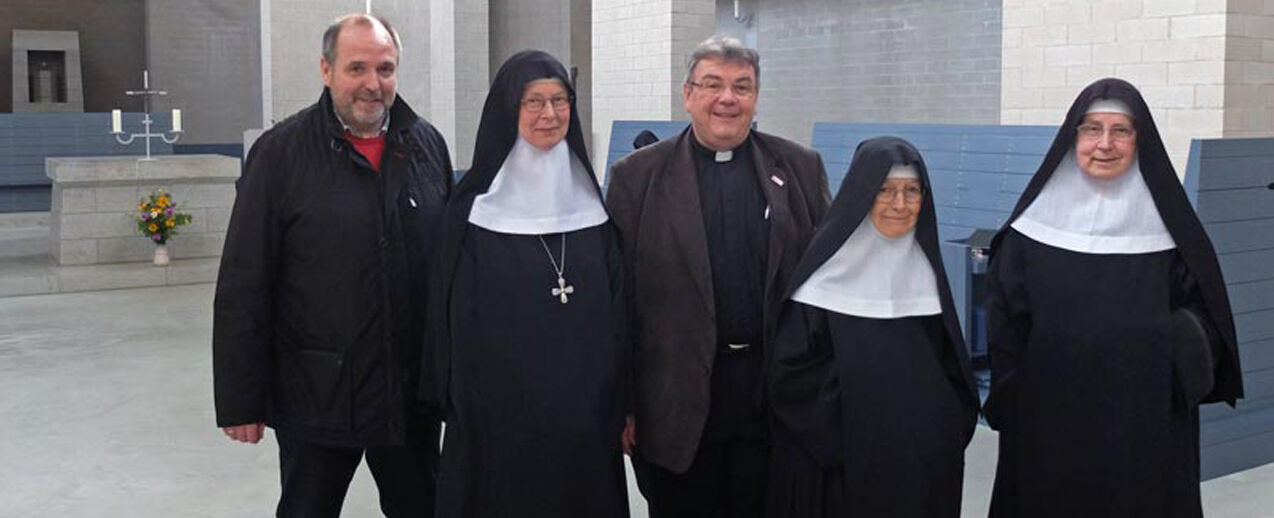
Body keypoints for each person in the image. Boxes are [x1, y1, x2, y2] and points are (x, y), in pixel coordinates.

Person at [212, 13, 451, 518]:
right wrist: (240, 399)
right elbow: (244, 282)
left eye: (385, 69)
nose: (372, 84)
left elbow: (448, 277)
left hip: (408, 400)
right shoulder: (280, 156)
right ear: (326, 70)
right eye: (356, 68)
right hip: (316, 396)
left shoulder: (427, 147)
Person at [984, 77, 1243, 517]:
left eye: (1121, 130)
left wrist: (1172, 343)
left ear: (1139, 140)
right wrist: (1017, 399)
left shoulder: (1174, 233)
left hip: (1143, 422)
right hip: (1050, 421)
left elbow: (1206, 315)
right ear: (1073, 137)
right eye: (1091, 129)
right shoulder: (1029, 233)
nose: (1105, 144)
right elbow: (1005, 327)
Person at [606, 35, 830, 517]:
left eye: (742, 87)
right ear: (688, 94)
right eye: (713, 84)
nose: (727, 98)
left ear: (755, 97)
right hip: (673, 400)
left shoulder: (800, 169)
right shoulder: (637, 177)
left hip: (772, 398)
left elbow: (826, 283)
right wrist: (621, 403)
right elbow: (617, 302)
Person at [423, 50, 629, 517]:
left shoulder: (594, 206)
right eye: (533, 102)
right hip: (496, 417)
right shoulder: (469, 211)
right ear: (507, 111)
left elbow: (617, 310)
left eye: (560, 101)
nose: (549, 114)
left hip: (583, 416)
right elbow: (450, 320)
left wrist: (618, 398)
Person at [768, 137, 979, 517]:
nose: (900, 205)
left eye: (911, 191)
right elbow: (791, 379)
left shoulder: (927, 277)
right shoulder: (820, 283)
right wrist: (866, 433)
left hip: (919, 472)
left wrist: (939, 431)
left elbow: (953, 374)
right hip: (840, 472)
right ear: (861, 195)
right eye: (885, 190)